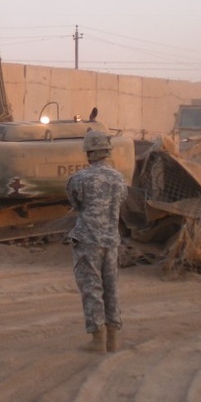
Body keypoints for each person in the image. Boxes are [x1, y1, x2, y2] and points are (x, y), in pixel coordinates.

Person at [65, 129, 128, 353]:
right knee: (111, 288)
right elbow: (122, 202)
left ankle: (97, 339)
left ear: (89, 152)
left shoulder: (79, 178)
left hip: (88, 240)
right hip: (111, 241)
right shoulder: (119, 179)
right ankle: (113, 339)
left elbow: (75, 203)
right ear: (107, 152)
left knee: (92, 288)